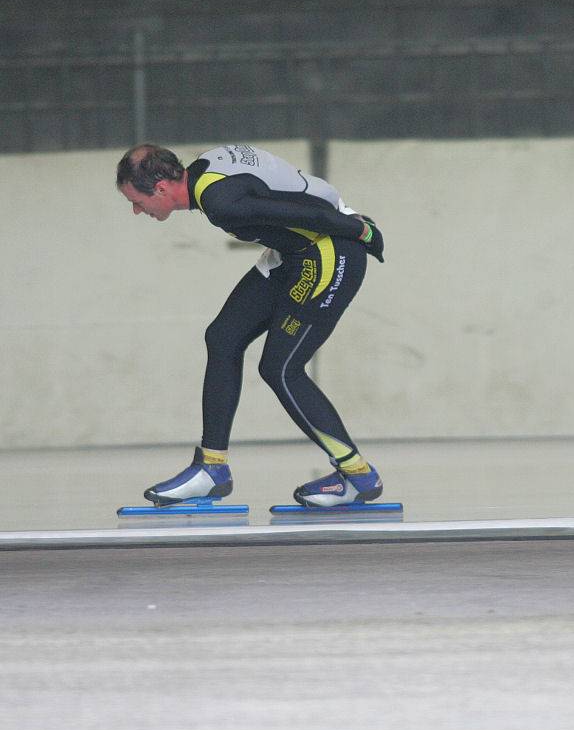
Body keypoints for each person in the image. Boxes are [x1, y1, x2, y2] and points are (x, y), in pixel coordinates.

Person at [116, 143, 386, 508]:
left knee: (280, 368)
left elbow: (308, 213)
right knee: (223, 338)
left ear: (161, 188)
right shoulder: (207, 168)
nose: (136, 210)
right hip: (294, 252)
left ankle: (357, 475)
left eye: (136, 201)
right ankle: (212, 469)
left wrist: (360, 230)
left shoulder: (220, 201)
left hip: (330, 250)